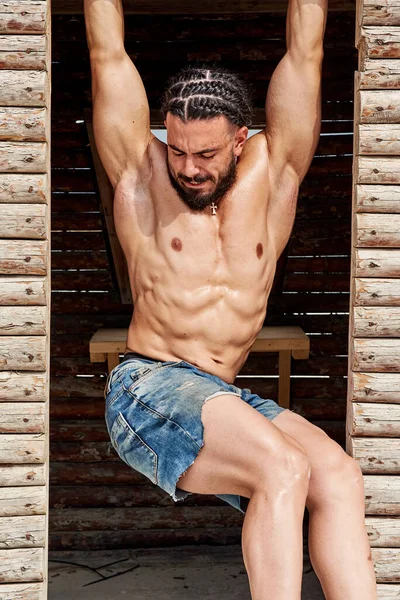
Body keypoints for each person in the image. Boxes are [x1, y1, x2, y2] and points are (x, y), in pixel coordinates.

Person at [84, 0, 378, 598]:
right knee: (282, 466)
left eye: (206, 154)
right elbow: (106, 53)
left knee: (337, 477)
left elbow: (306, 50)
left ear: (242, 139)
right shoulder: (142, 176)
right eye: (178, 149)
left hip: (220, 394)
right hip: (147, 387)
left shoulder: (277, 173)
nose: (188, 168)